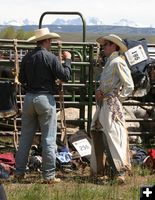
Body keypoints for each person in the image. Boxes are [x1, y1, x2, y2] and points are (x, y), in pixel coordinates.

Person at [15, 27, 71, 183]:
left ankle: (19, 172)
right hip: (45, 99)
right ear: (47, 40)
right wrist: (68, 60)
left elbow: (22, 78)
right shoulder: (51, 58)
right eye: (50, 40)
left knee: (25, 137)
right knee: (48, 138)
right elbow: (65, 76)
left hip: (29, 98)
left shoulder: (27, 57)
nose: (51, 43)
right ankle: (48, 175)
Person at [90, 34, 134, 183]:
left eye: (107, 44)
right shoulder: (111, 62)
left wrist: (117, 97)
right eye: (104, 44)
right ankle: (106, 170)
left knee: (114, 136)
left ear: (114, 46)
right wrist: (100, 91)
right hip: (105, 104)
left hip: (111, 104)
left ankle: (119, 172)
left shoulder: (118, 62)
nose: (104, 47)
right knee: (102, 134)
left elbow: (129, 85)